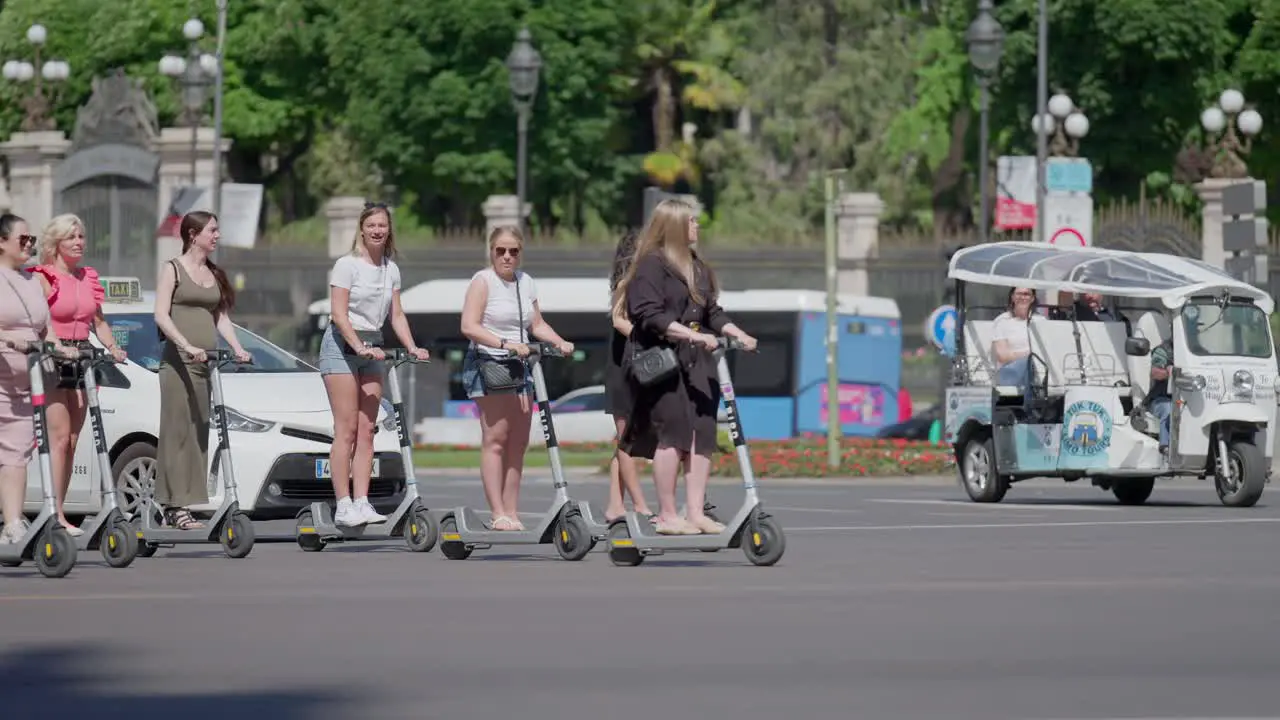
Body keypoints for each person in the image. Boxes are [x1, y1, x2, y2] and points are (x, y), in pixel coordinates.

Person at [613, 199, 757, 535]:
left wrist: (737, 334)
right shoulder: (651, 265)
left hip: (698, 362)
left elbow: (712, 313)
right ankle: (666, 514)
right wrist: (688, 335)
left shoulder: (698, 267)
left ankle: (695, 512)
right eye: (692, 220)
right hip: (662, 362)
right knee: (673, 433)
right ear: (675, 225)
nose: (698, 226)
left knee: (702, 433)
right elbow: (649, 315)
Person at [318, 202, 429, 527]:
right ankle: (343, 504)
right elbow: (338, 314)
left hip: (372, 346)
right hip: (341, 345)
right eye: (372, 226)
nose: (378, 231)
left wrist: (412, 347)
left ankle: (363, 501)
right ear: (362, 229)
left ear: (389, 229)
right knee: (347, 429)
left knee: (368, 429)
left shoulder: (390, 269)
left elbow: (396, 314)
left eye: (383, 225)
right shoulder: (346, 265)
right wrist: (358, 346)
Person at [460, 226, 574, 531]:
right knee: (496, 439)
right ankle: (497, 512)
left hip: (520, 365)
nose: (507, 256)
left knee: (518, 442)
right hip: (489, 363)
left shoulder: (526, 282)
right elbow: (469, 326)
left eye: (513, 251)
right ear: (491, 252)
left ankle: (512, 511)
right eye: (501, 251)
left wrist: (560, 342)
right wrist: (504, 343)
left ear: (521, 252)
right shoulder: (482, 281)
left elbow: (536, 323)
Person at [29, 214, 128, 536]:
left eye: (82, 236)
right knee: (57, 439)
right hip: (51, 359)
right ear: (56, 242)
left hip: (82, 357)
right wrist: (53, 346)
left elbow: (98, 321)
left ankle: (59, 510)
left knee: (72, 441)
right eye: (72, 237)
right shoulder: (43, 277)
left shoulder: (88, 277)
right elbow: (36, 321)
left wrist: (113, 348)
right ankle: (53, 514)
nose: (79, 242)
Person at [153, 211, 252, 531]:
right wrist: (186, 345)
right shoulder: (173, 269)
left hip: (204, 365)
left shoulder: (215, 273)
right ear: (193, 234)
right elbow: (161, 315)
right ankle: (173, 505)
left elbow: (221, 317)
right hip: (178, 364)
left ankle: (188, 501)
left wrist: (237, 347)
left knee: (198, 431)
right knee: (176, 432)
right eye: (212, 230)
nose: (217, 236)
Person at [0, 213, 63, 543]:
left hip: (29, 378)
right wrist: (8, 340)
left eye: (31, 240)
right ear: (1, 242)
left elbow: (44, 326)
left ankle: (12, 522)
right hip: (2, 374)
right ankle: (11, 521)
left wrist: (59, 347)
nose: (28, 245)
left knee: (18, 450)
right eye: (22, 239)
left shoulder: (31, 281)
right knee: (10, 448)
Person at [603, 230, 655, 523]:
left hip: (640, 368)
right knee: (627, 440)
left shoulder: (647, 284)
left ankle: (614, 506)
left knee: (626, 439)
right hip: (624, 369)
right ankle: (639, 504)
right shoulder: (627, 283)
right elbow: (618, 318)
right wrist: (645, 336)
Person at [991, 286, 1042, 387]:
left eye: (1026, 294)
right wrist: (1030, 354)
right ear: (1012, 297)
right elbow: (1003, 356)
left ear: (1032, 298)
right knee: (1027, 363)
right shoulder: (1002, 321)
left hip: (1038, 369)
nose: (1023, 297)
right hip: (1010, 370)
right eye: (1019, 293)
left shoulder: (1041, 321)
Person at [1147, 337, 1173, 454]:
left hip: (1184, 399)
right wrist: (1169, 372)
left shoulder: (1197, 350)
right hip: (1160, 399)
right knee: (1169, 408)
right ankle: (1165, 447)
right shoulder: (1163, 351)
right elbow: (1155, 373)